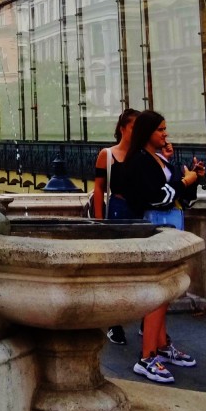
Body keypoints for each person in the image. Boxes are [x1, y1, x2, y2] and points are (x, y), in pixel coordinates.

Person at [122, 111, 202, 383]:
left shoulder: (157, 160)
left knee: (165, 290)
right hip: (154, 228)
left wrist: (192, 179)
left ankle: (160, 344)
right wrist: (184, 182)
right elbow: (157, 197)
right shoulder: (140, 162)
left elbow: (178, 196)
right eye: (161, 130)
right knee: (157, 292)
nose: (165, 135)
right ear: (148, 133)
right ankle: (146, 357)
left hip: (167, 226)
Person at [93, 109, 139, 345]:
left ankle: (146, 321)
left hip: (140, 212)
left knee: (140, 267)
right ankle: (114, 323)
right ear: (122, 128)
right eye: (134, 126)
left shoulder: (142, 155)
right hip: (118, 210)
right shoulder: (107, 155)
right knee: (116, 267)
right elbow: (99, 188)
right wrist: (100, 222)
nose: (138, 132)